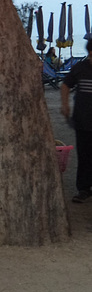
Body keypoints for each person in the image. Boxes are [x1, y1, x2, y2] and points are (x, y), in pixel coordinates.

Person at [61, 39, 92, 203]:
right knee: (84, 155)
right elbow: (65, 85)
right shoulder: (80, 68)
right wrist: (65, 105)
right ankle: (84, 188)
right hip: (83, 121)